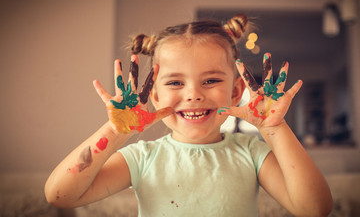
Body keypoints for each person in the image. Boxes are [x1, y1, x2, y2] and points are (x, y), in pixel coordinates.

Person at [45, 14, 333, 216]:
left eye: (210, 81)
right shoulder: (143, 157)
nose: (193, 94)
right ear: (154, 96)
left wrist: (276, 129)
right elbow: (60, 195)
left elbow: (315, 209)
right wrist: (114, 132)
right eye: (174, 83)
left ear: (236, 92)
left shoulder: (251, 153)